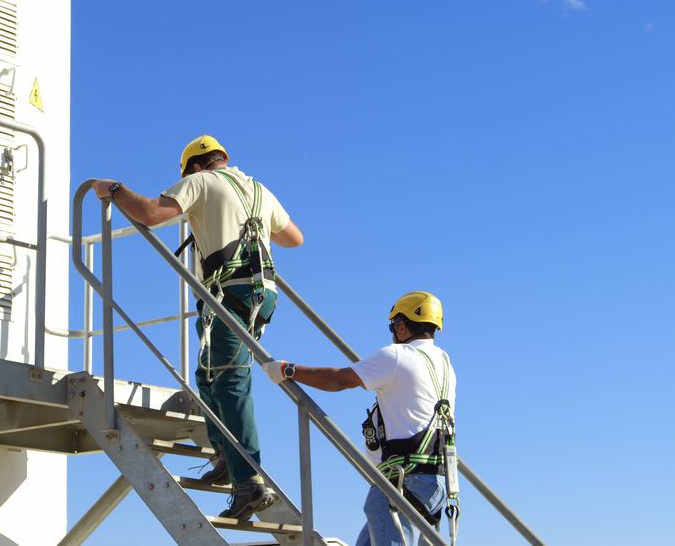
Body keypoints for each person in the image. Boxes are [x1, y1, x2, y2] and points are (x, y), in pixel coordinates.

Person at [92, 135, 304, 520]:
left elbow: (151, 213)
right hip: (262, 294)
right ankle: (227, 457)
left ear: (193, 166)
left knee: (230, 382)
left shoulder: (200, 183)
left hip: (228, 294)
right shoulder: (258, 189)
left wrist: (116, 190)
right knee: (208, 376)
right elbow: (293, 238)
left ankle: (250, 482)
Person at [263, 291, 458, 546]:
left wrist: (288, 370)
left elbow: (339, 379)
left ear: (401, 326)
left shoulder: (397, 356)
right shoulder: (444, 363)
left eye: (393, 326)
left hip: (402, 481)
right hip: (437, 482)